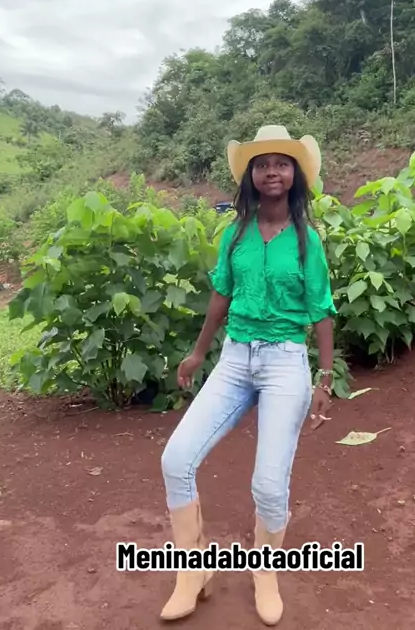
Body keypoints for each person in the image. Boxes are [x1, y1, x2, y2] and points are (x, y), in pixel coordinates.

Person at [160, 125, 336, 625]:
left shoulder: (306, 240)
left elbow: (321, 311)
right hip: (235, 359)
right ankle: (192, 571)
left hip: (285, 362)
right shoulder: (235, 234)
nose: (271, 172)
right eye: (262, 165)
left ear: (295, 174)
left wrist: (324, 378)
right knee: (176, 459)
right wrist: (198, 353)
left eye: (281, 163)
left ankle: (265, 573)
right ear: (251, 176)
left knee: (269, 485)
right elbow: (221, 296)